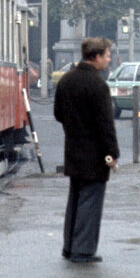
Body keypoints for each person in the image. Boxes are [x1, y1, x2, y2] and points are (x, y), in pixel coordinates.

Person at [53, 37, 119, 264]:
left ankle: (69, 246)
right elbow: (105, 125)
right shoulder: (98, 86)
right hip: (95, 153)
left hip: (73, 149)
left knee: (75, 199)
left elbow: (58, 114)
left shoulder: (66, 81)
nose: (109, 60)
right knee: (90, 202)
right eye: (108, 55)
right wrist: (112, 153)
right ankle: (83, 250)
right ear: (97, 56)